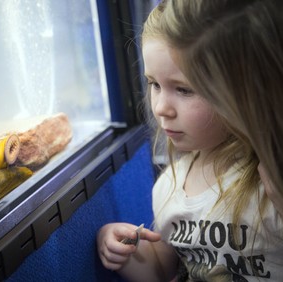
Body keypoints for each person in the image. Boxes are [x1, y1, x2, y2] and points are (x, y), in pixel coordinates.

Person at [97, 1, 283, 281]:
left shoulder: (270, 180)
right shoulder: (169, 185)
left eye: (184, 89)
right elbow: (163, 269)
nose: (160, 107)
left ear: (245, 91)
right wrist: (124, 252)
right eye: (154, 84)